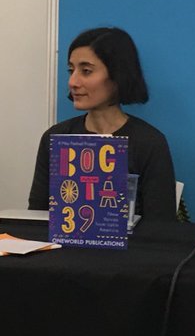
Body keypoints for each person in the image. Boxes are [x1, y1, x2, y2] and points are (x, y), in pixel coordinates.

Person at [28, 27, 176, 221]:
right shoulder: (55, 137)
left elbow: (162, 225)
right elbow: (36, 216)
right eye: (71, 70)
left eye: (86, 71)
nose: (73, 82)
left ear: (117, 75)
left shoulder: (149, 142)